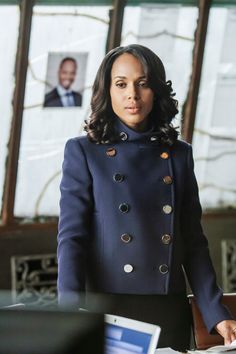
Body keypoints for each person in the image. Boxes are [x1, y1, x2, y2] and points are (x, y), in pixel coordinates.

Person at [57, 44, 236, 350]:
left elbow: (193, 241)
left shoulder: (179, 154)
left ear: (156, 90)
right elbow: (71, 238)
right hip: (107, 309)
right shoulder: (84, 152)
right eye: (121, 84)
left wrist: (216, 313)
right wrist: (69, 313)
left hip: (167, 307)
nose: (132, 95)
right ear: (107, 91)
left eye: (142, 84)